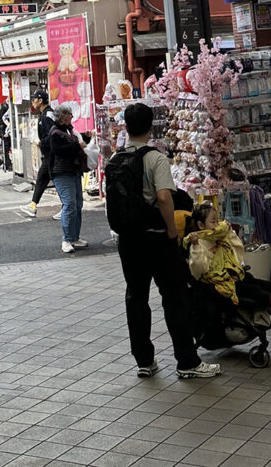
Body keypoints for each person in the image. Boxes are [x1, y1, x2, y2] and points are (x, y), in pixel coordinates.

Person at [111, 103, 221, 379]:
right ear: (151, 127)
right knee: (174, 298)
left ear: (126, 126)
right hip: (157, 240)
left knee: (136, 298)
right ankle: (187, 361)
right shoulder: (155, 159)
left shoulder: (116, 159)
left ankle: (145, 361)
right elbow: (163, 197)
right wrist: (172, 230)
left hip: (128, 241)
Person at [183, 203, 271, 316]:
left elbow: (238, 250)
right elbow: (199, 269)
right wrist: (195, 246)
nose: (217, 224)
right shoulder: (198, 244)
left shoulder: (219, 237)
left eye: (218, 220)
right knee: (251, 289)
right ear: (201, 225)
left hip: (234, 274)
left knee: (264, 283)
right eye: (213, 221)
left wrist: (230, 233)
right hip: (218, 285)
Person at [48, 104, 88, 253]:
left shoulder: (68, 130)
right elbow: (60, 150)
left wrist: (86, 138)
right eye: (70, 114)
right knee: (70, 204)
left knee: (77, 204)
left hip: (73, 171)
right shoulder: (55, 133)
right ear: (63, 116)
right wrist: (78, 146)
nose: (72, 116)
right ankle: (67, 239)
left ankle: (74, 237)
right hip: (62, 172)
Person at [20, 90, 58, 218]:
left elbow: (52, 134)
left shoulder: (47, 116)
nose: (32, 102)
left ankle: (66, 206)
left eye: (34, 99)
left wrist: (40, 142)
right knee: (43, 179)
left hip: (52, 154)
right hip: (50, 154)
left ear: (40, 100)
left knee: (52, 179)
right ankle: (33, 205)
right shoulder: (45, 114)